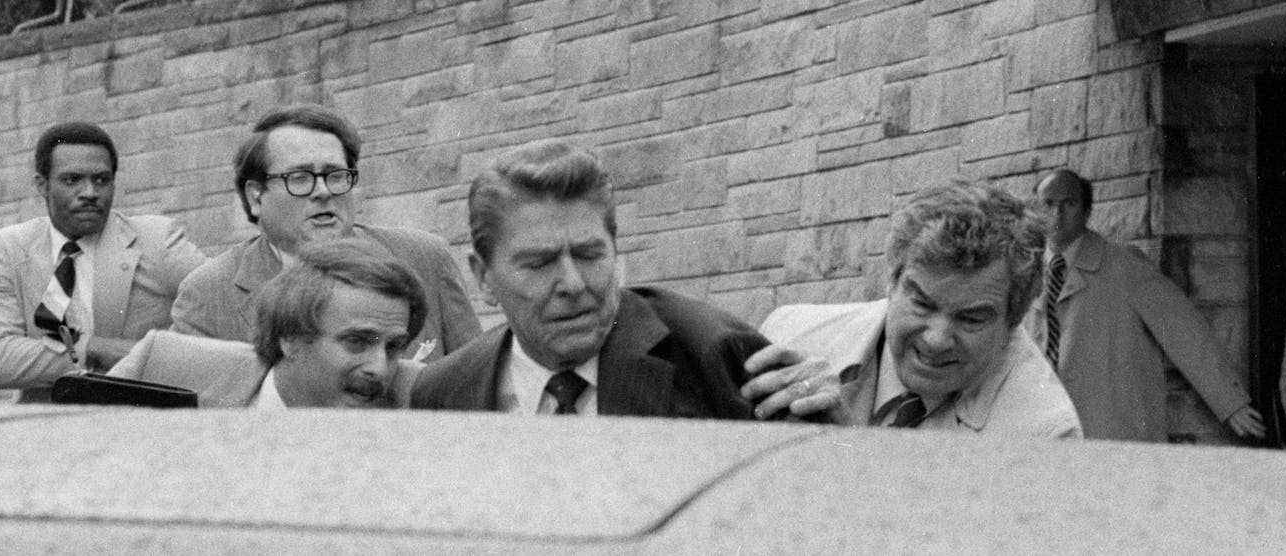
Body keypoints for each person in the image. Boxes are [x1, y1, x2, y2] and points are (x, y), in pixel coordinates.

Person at [410, 139, 779, 418]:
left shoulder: (714, 356)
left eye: (589, 255)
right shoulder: (442, 394)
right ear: (483, 277)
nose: (573, 284)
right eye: (540, 263)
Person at [744, 180, 1082, 437]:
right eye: (921, 303)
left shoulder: (1045, 433)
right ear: (892, 282)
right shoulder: (786, 336)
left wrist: (844, 451)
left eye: (971, 318)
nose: (936, 339)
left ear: (1014, 319)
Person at [171, 104, 480, 360]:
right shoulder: (208, 295)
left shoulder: (425, 258)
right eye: (300, 177)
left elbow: (477, 384)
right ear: (255, 197)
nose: (322, 191)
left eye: (335, 175)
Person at [0, 122, 205, 402]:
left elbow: (226, 298)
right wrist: (93, 347)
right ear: (42, 184)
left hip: (140, 425)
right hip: (48, 429)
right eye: (72, 180)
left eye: (102, 180)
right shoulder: (11, 248)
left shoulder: (156, 242)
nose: (90, 192)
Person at [1027, 168, 1264, 442]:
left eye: (1069, 203)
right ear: (1034, 210)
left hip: (1109, 435)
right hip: (1046, 434)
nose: (1057, 214)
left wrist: (1229, 401)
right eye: (1049, 204)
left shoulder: (1123, 266)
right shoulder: (1024, 272)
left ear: (1087, 210)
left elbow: (1181, 327)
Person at [110, 242, 425, 408]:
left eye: (394, 347)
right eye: (357, 341)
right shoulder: (165, 367)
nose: (380, 369)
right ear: (290, 338)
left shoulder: (423, 397)